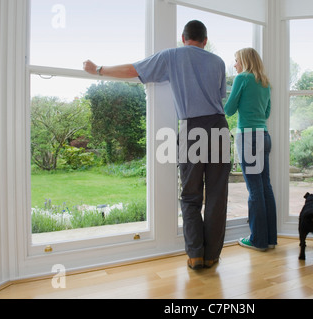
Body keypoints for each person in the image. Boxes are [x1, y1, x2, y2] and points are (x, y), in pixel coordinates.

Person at [83, 20, 231, 270]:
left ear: (183, 38)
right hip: (219, 127)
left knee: (191, 194)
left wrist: (98, 69)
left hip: (193, 128)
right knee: (217, 195)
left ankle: (195, 255)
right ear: (205, 41)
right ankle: (212, 256)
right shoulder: (218, 62)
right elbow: (219, 97)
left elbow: (133, 69)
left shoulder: (173, 55)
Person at [224, 48, 277, 251]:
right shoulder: (265, 82)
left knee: (254, 189)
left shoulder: (242, 79)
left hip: (248, 137)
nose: (235, 64)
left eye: (236, 60)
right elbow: (267, 111)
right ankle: (270, 239)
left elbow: (229, 109)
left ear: (244, 61)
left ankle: (257, 240)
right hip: (264, 136)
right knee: (265, 187)